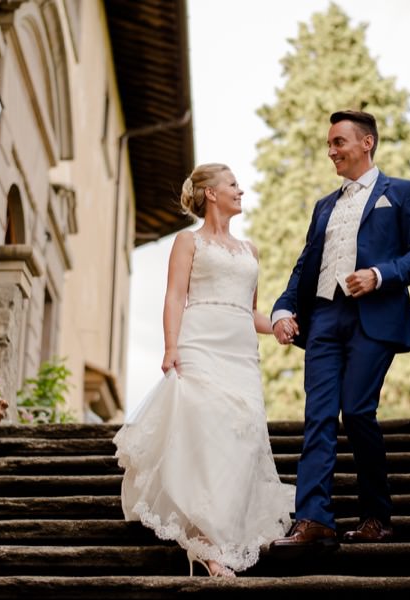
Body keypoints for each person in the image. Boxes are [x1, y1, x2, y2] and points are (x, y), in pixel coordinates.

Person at [113, 163, 294, 577]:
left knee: (242, 437)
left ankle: (228, 527)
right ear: (211, 193)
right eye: (232, 184)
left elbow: (250, 312)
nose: (240, 190)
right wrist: (171, 346)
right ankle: (208, 545)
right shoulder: (187, 241)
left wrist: (279, 324)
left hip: (240, 353)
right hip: (199, 343)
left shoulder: (251, 251)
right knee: (206, 433)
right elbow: (175, 297)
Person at [268, 110, 410, 554]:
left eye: (338, 142)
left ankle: (376, 518)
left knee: (358, 410)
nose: (331, 152)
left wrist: (380, 275)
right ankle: (314, 519)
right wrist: (284, 306)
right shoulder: (325, 205)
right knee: (318, 416)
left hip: (373, 318)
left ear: (367, 143)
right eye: (329, 144)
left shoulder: (402, 193)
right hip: (323, 317)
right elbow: (307, 263)